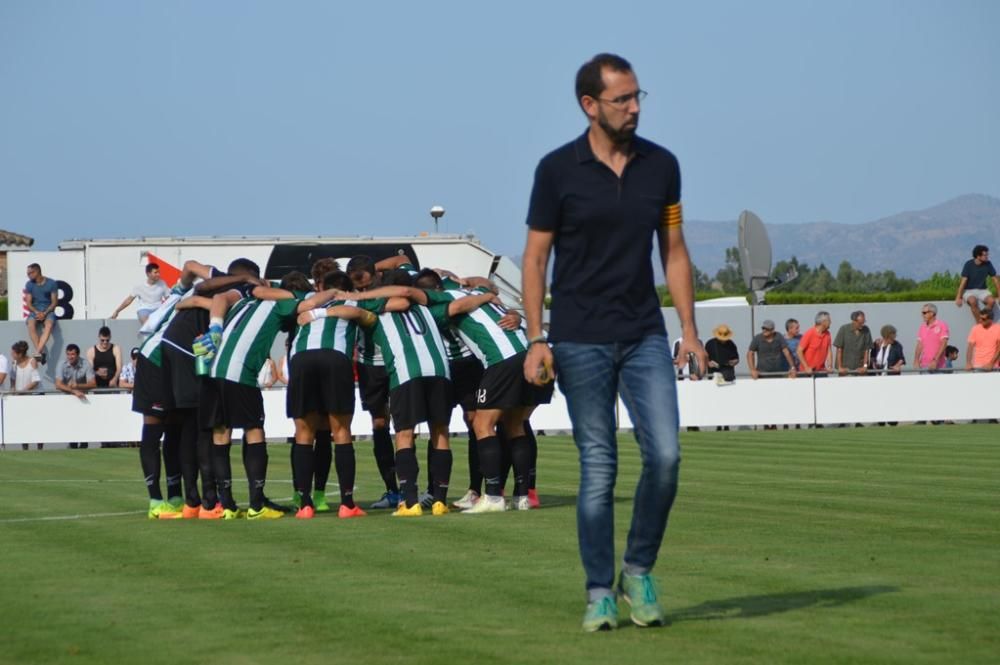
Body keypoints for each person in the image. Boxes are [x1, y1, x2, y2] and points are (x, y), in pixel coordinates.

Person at [521, 53, 707, 632]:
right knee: (598, 468)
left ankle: (639, 570)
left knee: (667, 458)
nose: (634, 108)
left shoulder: (662, 166)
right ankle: (600, 590)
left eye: (637, 97)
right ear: (589, 105)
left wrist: (691, 331)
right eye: (622, 99)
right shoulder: (557, 169)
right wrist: (536, 338)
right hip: (578, 339)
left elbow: (672, 251)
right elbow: (535, 257)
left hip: (644, 333)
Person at [24, 263, 59, 364]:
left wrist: (45, 313)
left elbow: (54, 302)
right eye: (28, 273)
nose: (28, 275)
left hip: (48, 310)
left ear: (37, 271)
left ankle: (38, 352)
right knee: (30, 324)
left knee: (48, 325)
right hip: (35, 310)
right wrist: (37, 312)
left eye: (30, 273)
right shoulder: (29, 284)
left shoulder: (51, 283)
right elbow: (29, 303)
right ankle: (41, 352)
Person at [955, 245, 999, 323]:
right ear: (978, 256)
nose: (987, 257)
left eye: (987, 255)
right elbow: (963, 282)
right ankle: (980, 324)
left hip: (983, 290)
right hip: (969, 291)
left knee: (992, 301)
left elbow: (995, 280)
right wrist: (958, 297)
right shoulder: (968, 264)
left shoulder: (988, 264)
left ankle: (982, 319)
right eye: (985, 255)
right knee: (973, 301)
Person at [833, 311, 872, 375]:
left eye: (863, 322)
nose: (862, 325)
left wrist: (865, 366)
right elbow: (839, 349)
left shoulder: (866, 330)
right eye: (860, 323)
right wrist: (840, 367)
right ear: (854, 321)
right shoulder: (844, 329)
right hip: (846, 370)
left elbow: (867, 350)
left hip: (860, 370)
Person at [913, 304, 950, 371]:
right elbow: (919, 345)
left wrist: (935, 360)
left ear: (932, 313)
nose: (922, 315)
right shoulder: (922, 327)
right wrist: (916, 360)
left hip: (939, 367)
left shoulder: (942, 325)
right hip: (924, 366)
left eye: (924, 313)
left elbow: (944, 343)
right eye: (922, 313)